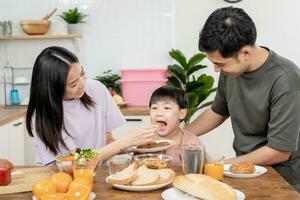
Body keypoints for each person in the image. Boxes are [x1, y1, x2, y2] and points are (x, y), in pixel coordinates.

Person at [185, 6, 300, 192]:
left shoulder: (285, 79)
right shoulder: (230, 70)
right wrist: (181, 136)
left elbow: (279, 151)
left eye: (219, 64)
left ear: (245, 53)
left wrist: (219, 166)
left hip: (282, 180)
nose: (216, 69)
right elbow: (218, 111)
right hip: (244, 170)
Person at [26, 46, 159, 166]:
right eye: (73, 84)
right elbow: (76, 161)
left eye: (82, 74)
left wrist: (134, 144)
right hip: (57, 179)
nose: (82, 84)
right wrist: (126, 141)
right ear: (53, 89)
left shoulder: (96, 89)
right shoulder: (42, 115)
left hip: (93, 174)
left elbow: (107, 142)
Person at [149, 86, 202, 165]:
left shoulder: (192, 142)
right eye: (154, 108)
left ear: (181, 114)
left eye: (166, 108)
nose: (159, 113)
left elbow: (200, 169)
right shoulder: (145, 139)